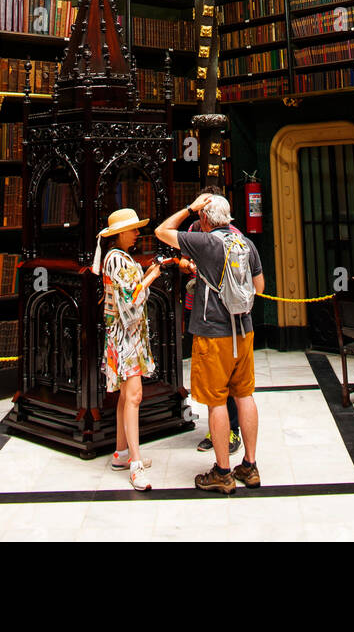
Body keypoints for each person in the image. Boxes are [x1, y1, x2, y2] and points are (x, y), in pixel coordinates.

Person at [155, 193, 264, 494]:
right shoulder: (246, 244)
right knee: (245, 395)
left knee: (216, 401)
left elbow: (161, 231)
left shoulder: (206, 243)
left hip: (214, 334)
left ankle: (222, 472)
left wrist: (189, 207)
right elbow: (260, 286)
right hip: (244, 331)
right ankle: (250, 466)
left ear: (205, 218)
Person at [92, 206, 166, 491]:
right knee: (134, 396)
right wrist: (151, 276)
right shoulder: (117, 260)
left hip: (123, 337)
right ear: (120, 234)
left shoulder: (117, 258)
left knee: (126, 396)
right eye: (133, 229)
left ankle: (122, 453)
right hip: (125, 339)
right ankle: (135, 464)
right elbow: (131, 300)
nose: (138, 233)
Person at [182, 219, 241, 455]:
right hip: (199, 311)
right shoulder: (194, 231)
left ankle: (231, 430)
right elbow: (184, 258)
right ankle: (217, 430)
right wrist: (187, 266)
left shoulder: (235, 237)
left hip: (225, 317)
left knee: (227, 382)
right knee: (210, 380)